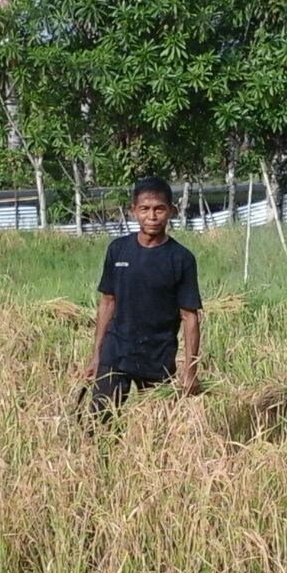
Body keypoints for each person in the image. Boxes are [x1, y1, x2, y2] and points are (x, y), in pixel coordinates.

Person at [83, 176, 203, 420]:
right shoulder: (118, 250)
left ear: (171, 211)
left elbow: (190, 317)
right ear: (133, 211)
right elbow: (108, 302)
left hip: (158, 356)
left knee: (158, 429)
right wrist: (97, 355)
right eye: (144, 209)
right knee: (99, 424)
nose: (152, 216)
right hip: (117, 352)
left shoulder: (181, 259)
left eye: (159, 209)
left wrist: (190, 370)